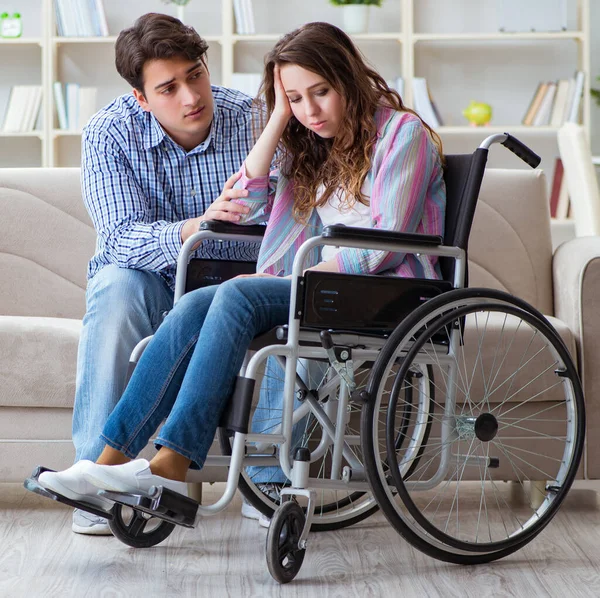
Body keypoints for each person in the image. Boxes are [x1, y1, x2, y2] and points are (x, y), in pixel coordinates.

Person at [38, 21, 446, 523]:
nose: (310, 110)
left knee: (238, 294)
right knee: (193, 304)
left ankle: (169, 464)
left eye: (320, 92)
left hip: (384, 289)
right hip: (321, 282)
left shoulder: (404, 134)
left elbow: (384, 245)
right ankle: (106, 463)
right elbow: (250, 205)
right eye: (297, 97)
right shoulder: (318, 143)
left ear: (349, 79)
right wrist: (277, 118)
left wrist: (303, 271)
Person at [71, 12, 261, 535]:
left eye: (195, 74)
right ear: (141, 97)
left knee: (255, 293)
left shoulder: (252, 119)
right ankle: (95, 483)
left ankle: (265, 481)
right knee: (115, 284)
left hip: (233, 282)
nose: (191, 97)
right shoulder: (109, 133)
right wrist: (197, 227)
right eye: (169, 87)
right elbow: (118, 240)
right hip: (149, 282)